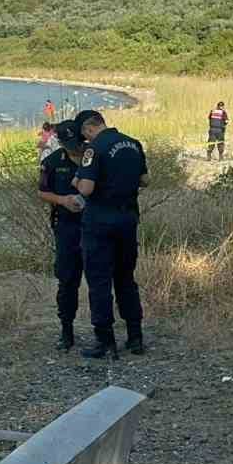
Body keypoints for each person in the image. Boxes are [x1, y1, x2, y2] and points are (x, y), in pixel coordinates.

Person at [71, 109, 147, 359]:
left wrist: (77, 181)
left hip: (101, 223)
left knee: (100, 281)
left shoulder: (95, 148)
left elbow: (87, 188)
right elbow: (145, 179)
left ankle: (105, 341)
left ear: (88, 129)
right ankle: (135, 338)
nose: (86, 140)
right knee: (126, 278)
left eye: (85, 135)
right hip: (128, 219)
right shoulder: (133, 143)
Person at [38, 121, 87, 351]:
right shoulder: (52, 162)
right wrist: (63, 200)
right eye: (68, 144)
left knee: (100, 279)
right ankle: (66, 331)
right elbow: (43, 191)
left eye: (76, 142)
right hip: (67, 227)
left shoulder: (94, 156)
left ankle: (104, 333)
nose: (73, 148)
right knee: (67, 281)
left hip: (95, 226)